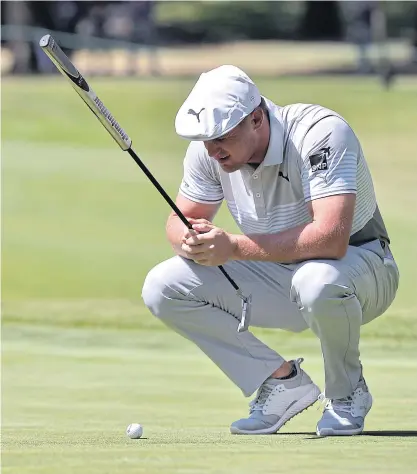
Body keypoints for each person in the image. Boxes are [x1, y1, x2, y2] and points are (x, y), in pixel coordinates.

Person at [141, 65, 399, 437]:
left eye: (222, 138)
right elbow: (182, 219)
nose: (213, 150)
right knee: (163, 285)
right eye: (206, 141)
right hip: (280, 272)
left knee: (317, 280)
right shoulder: (209, 152)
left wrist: (230, 247)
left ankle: (346, 394)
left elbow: (331, 238)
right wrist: (190, 239)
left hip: (362, 267)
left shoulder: (319, 132)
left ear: (257, 119)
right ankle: (281, 383)